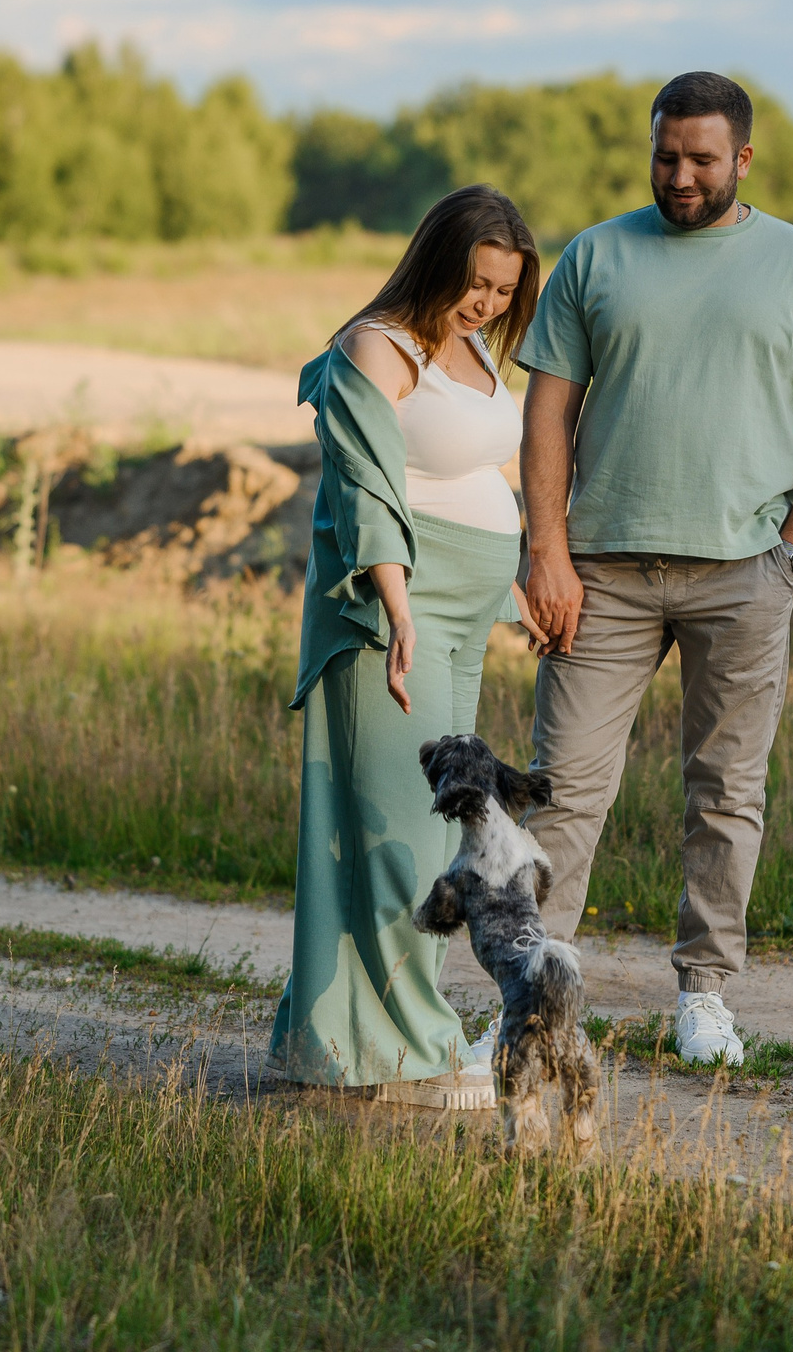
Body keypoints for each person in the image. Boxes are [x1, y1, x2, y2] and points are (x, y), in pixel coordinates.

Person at [515, 71, 793, 1068]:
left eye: (700, 160)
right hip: (598, 572)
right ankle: (535, 992)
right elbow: (546, 409)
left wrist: (789, 557)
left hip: (742, 573)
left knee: (726, 788)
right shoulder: (595, 256)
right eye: (664, 156)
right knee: (562, 789)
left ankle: (705, 993)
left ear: (743, 160)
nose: (679, 175)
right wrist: (543, 547)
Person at [269, 184, 548, 1106]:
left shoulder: (469, 348)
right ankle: (413, 1059)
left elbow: (469, 469)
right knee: (393, 833)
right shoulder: (376, 347)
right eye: (475, 282)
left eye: (504, 290)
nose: (487, 303)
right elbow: (365, 488)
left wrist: (509, 578)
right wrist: (398, 610)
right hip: (402, 611)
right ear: (436, 259)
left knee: (426, 827)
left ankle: (364, 1047)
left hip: (464, 612)